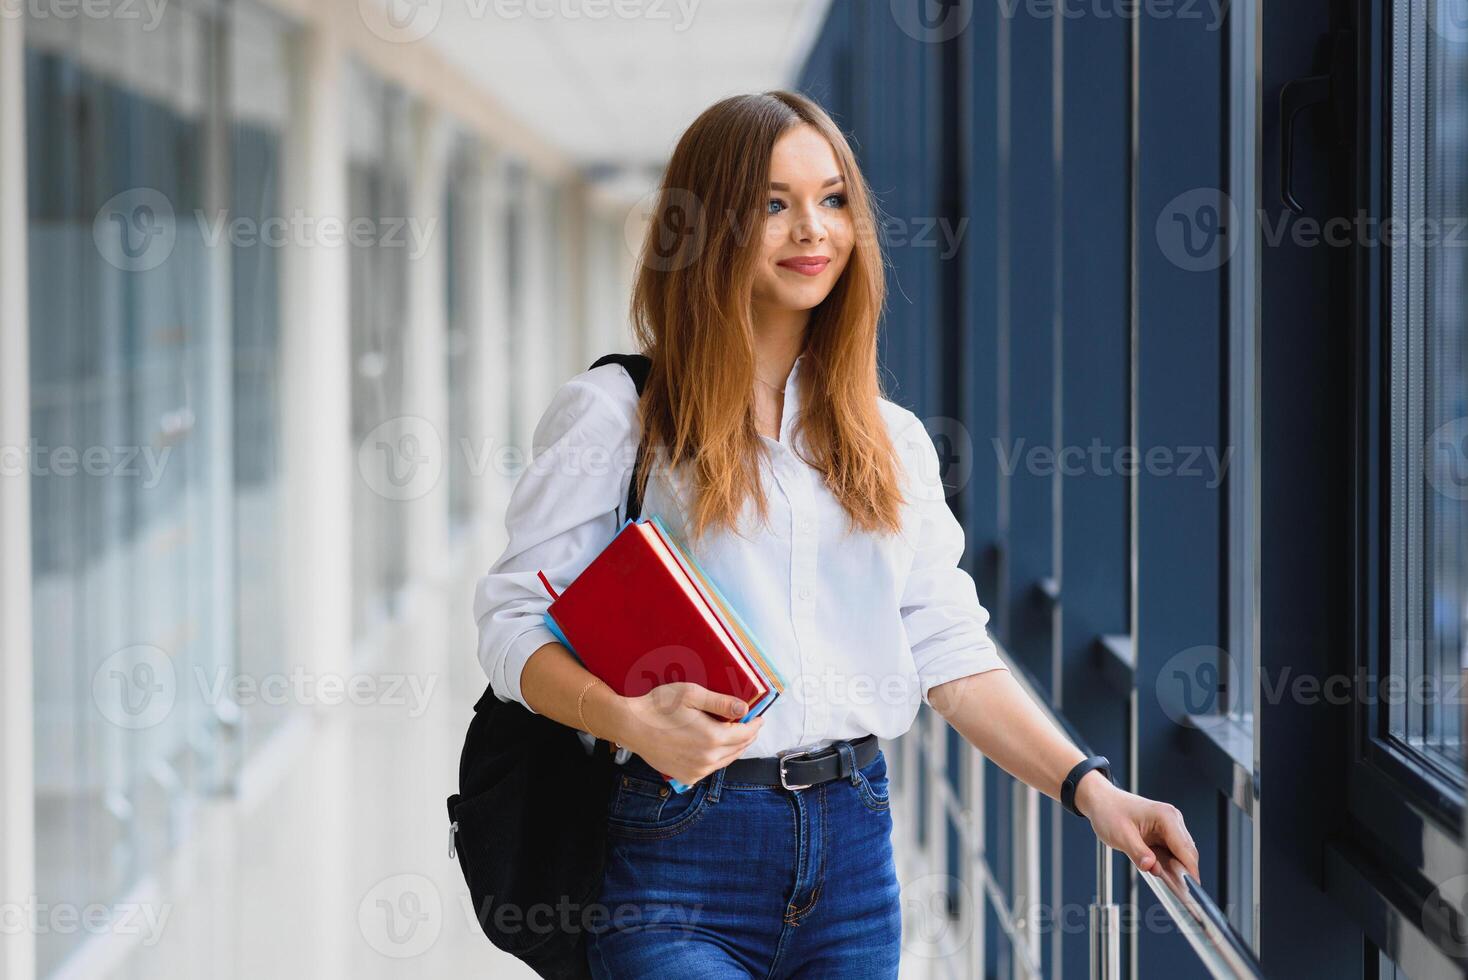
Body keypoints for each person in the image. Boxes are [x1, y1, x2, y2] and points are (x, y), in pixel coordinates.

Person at [474, 89, 1200, 979]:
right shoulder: (617, 417)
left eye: (832, 199)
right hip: (677, 846)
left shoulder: (888, 440)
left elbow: (951, 654)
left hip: (853, 850)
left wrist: (1093, 791)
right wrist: (628, 718)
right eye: (773, 204)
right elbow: (511, 626)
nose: (811, 229)